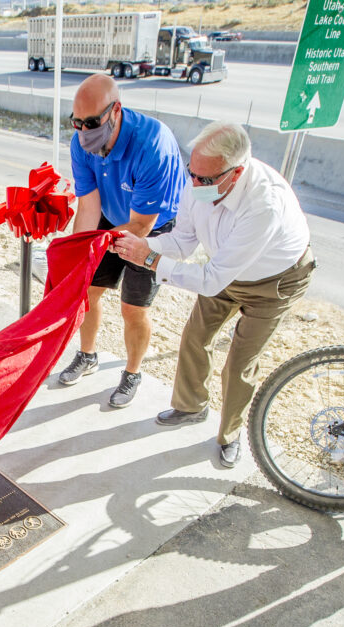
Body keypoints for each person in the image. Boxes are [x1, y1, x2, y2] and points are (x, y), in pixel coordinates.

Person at [112, 121, 315, 468]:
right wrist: (141, 245)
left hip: (274, 282)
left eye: (203, 180)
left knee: (239, 363)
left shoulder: (264, 204)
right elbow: (182, 242)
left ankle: (230, 434)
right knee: (195, 336)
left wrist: (149, 259)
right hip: (222, 270)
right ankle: (190, 407)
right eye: (190, 173)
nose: (193, 185)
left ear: (236, 173)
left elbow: (209, 280)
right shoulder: (199, 182)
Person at [56, 73, 184, 408]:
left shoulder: (152, 145)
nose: (84, 132)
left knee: (133, 308)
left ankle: (132, 373)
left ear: (116, 110)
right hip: (111, 215)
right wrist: (78, 255)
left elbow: (141, 224)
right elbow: (88, 206)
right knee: (87, 291)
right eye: (77, 123)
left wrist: (105, 242)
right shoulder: (81, 142)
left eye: (92, 124)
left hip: (153, 227)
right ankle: (87, 355)